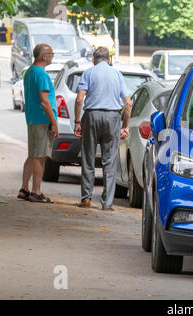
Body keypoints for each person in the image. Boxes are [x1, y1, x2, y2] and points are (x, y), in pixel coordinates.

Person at [74, 47, 131, 211]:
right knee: (110, 161)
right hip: (112, 117)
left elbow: (79, 100)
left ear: (94, 59)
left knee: (88, 158)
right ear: (109, 59)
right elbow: (128, 103)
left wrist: (77, 122)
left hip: (91, 116)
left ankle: (86, 198)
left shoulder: (89, 73)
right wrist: (125, 126)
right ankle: (107, 203)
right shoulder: (117, 74)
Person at [18, 44, 58, 203]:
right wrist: (54, 123)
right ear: (44, 56)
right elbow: (45, 102)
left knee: (33, 155)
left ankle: (24, 189)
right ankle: (36, 191)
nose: (52, 56)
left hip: (33, 118)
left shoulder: (29, 72)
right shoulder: (41, 74)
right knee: (40, 157)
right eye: (51, 53)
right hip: (42, 119)